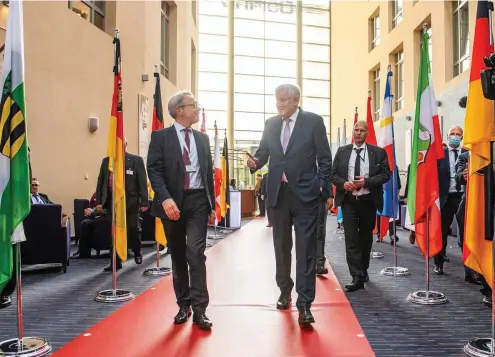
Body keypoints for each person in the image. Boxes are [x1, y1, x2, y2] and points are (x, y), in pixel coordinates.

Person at [246, 83, 332, 326]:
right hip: (278, 195)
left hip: (306, 195)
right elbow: (263, 153)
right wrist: (255, 163)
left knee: (306, 251)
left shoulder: (314, 122)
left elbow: (324, 158)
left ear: (296, 100)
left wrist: (321, 187)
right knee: (281, 248)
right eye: (277, 100)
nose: (279, 104)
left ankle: (305, 303)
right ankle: (285, 290)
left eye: (283, 100)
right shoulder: (271, 124)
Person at [147, 91, 215, 330]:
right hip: (172, 204)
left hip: (197, 201)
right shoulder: (160, 138)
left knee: (195, 253)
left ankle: (200, 310)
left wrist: (211, 205)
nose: (197, 109)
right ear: (179, 110)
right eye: (193, 105)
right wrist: (165, 199)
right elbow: (153, 171)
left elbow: (207, 175)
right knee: (177, 255)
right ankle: (183, 305)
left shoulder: (202, 139)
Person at [330, 120, 390, 292]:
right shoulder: (342, 152)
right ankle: (356, 276)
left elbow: (386, 174)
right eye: (356, 130)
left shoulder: (378, 153)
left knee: (365, 239)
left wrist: (367, 182)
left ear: (367, 133)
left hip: (368, 201)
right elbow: (332, 174)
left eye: (362, 130)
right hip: (349, 201)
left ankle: (363, 270)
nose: (358, 133)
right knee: (351, 240)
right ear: (353, 132)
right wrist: (343, 184)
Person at [97, 139, 149, 271]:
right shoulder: (106, 161)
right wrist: (99, 202)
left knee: (133, 229)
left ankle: (137, 250)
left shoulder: (135, 160)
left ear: (126, 145)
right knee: (114, 233)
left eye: (122, 144)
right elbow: (101, 182)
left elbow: (142, 182)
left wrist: (144, 201)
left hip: (130, 202)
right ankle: (115, 261)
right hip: (112, 203)